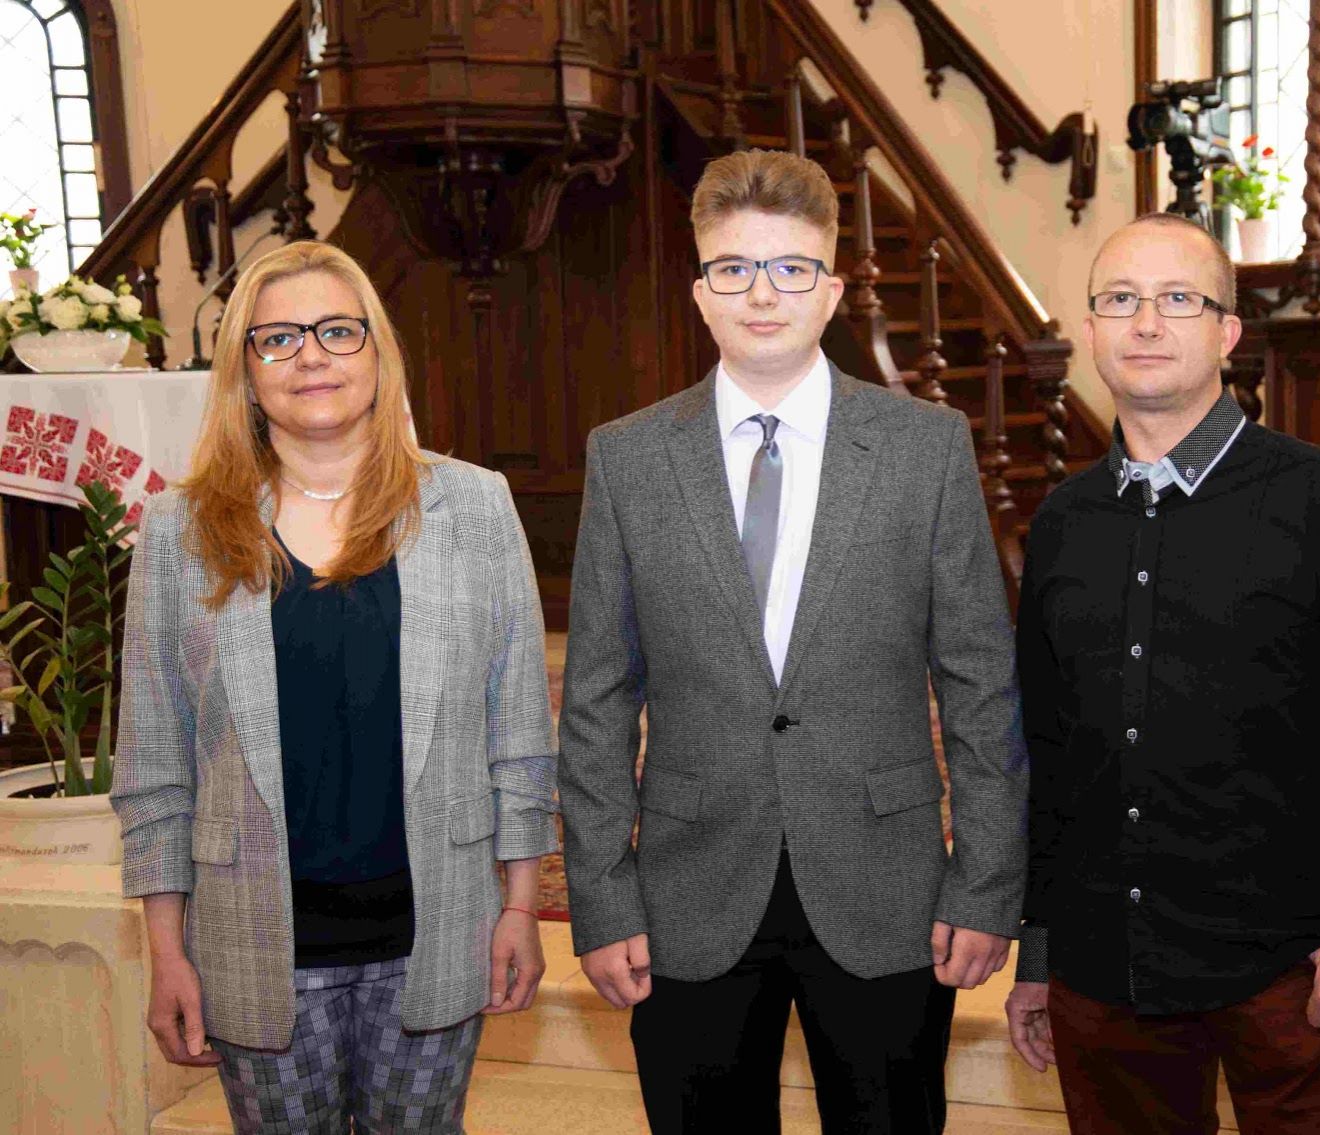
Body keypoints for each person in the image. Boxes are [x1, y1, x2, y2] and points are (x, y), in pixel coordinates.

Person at [557, 148, 1027, 1135]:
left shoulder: (924, 447)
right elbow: (597, 698)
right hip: (688, 888)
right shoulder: (628, 457)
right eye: (733, 268)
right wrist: (600, 895)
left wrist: (985, 883)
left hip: (886, 883)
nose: (761, 293)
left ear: (831, 289)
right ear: (699, 290)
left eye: (789, 268)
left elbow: (979, 682)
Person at [1004, 213, 1320, 1134]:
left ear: (1226, 332)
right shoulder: (1060, 523)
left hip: (1287, 973)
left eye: (1177, 298)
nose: (1145, 322)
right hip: (1102, 973)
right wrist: (1040, 946)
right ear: (1089, 329)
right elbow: (1050, 757)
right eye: (1119, 299)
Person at [111, 240, 559, 1134]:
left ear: (377, 351)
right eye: (277, 338)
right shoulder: (179, 527)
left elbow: (517, 729)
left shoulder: (474, 505)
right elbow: (156, 762)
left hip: (440, 927)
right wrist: (166, 949)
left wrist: (520, 903)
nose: (310, 355)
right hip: (253, 940)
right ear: (245, 372)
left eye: (336, 330)